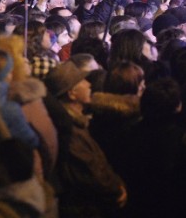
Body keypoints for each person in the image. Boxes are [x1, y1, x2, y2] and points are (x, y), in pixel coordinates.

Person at [45, 61, 127, 218]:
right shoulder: (69, 128)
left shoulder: (77, 122)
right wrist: (116, 188)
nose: (89, 84)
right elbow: (90, 170)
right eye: (82, 81)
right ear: (72, 93)